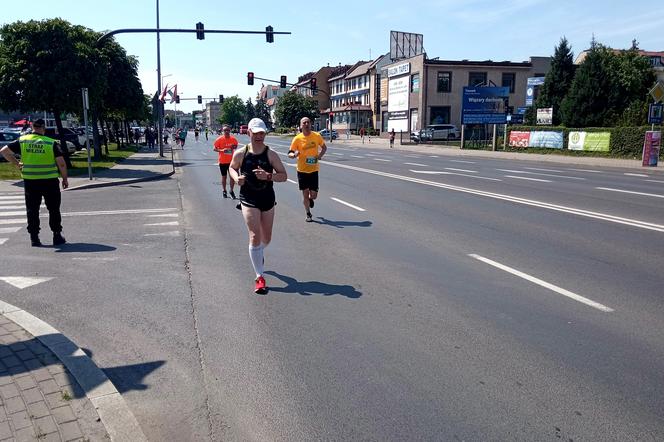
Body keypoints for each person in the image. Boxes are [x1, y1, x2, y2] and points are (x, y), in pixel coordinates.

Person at [229, 118, 287, 294]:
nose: (259, 136)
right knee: (254, 235)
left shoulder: (271, 155)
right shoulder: (241, 153)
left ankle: (258, 252)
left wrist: (268, 176)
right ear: (249, 133)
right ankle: (259, 277)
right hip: (248, 198)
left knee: (266, 238)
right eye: (256, 133)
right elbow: (232, 168)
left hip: (267, 198)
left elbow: (283, 176)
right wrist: (235, 178)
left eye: (262, 133)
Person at [0, 119, 68, 246]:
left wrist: (17, 163)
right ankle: (57, 235)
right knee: (53, 208)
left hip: (31, 182)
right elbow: (62, 164)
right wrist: (64, 179)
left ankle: (34, 237)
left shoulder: (23, 140)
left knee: (32, 209)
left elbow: (4, 151)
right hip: (50, 181)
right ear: (44, 128)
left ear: (32, 127)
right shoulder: (51, 143)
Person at [288, 117, 327, 222]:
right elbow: (290, 153)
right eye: (304, 123)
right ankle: (308, 213)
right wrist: (294, 154)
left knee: (314, 196)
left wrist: (319, 156)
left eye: (308, 122)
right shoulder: (297, 138)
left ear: (311, 124)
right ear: (301, 126)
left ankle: (311, 199)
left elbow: (324, 147)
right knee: (305, 193)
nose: (306, 124)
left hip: (314, 170)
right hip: (302, 171)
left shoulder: (316, 136)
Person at [213, 124, 239, 199]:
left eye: (228, 130)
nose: (226, 132)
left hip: (231, 162)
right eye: (225, 130)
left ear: (230, 131)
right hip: (223, 162)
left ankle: (231, 190)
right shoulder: (219, 139)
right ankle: (224, 190)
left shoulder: (233, 139)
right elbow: (214, 148)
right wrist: (222, 150)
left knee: (232, 177)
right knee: (224, 177)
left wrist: (232, 147)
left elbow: (236, 146)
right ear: (222, 131)